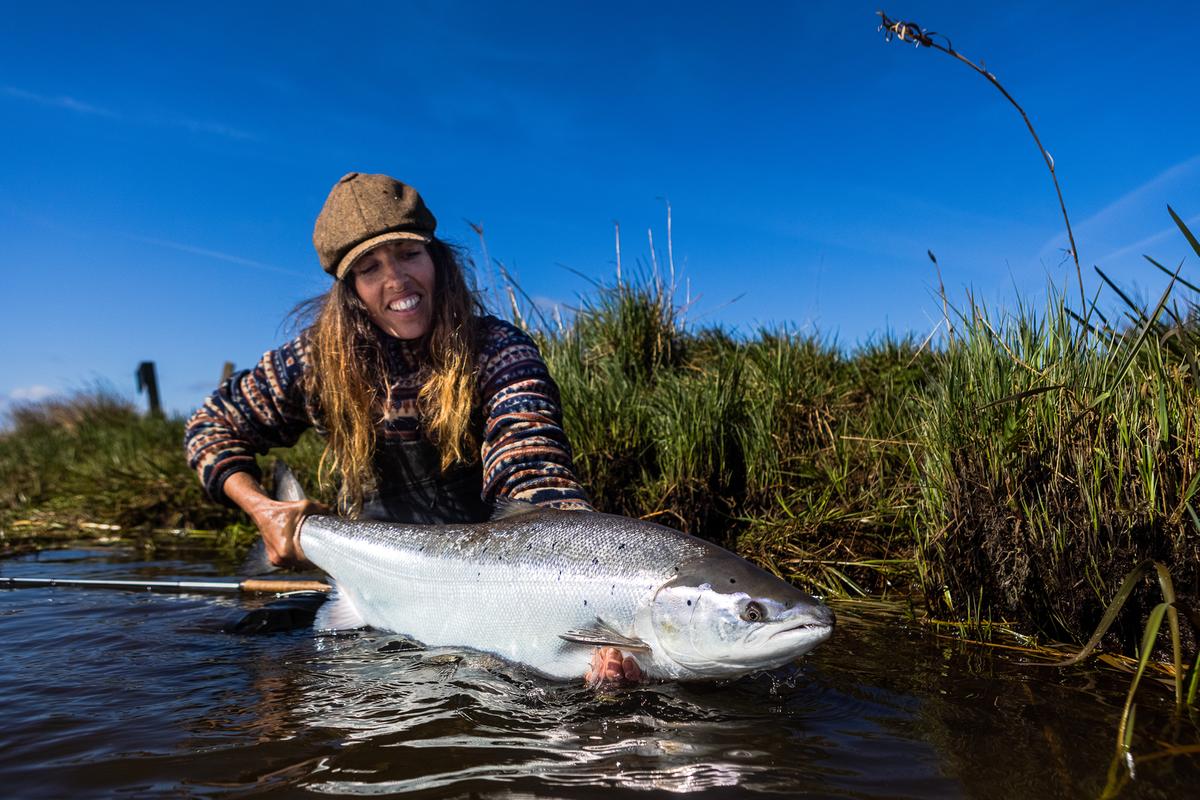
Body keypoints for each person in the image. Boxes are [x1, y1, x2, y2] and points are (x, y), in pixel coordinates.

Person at [184, 172, 593, 568]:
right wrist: (263, 510)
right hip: (365, 577)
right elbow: (210, 425)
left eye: (409, 254)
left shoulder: (498, 351)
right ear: (352, 293)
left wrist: (575, 567)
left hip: (486, 574)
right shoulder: (314, 363)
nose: (396, 280)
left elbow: (533, 465)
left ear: (437, 260)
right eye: (370, 268)